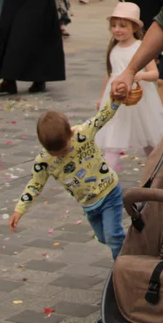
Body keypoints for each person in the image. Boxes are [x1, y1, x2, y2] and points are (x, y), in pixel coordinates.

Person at [10, 103, 127, 259]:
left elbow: (102, 117)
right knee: (104, 238)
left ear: (70, 134)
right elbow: (35, 184)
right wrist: (20, 209)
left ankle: (123, 269)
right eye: (55, 154)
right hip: (89, 204)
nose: (60, 156)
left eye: (64, 151)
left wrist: (115, 100)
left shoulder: (82, 133)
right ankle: (132, 244)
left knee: (113, 236)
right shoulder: (44, 160)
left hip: (109, 192)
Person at [97, 1, 163, 162]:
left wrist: (140, 75)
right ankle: (108, 178)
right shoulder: (113, 48)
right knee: (113, 138)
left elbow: (155, 73)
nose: (117, 30)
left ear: (134, 28)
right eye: (114, 25)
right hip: (117, 98)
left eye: (122, 26)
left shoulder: (140, 48)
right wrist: (102, 97)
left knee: (150, 138)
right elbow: (109, 74)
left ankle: (155, 171)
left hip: (141, 101)